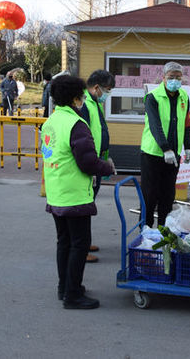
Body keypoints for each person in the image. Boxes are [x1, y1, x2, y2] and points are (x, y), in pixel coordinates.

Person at [40, 75, 115, 309]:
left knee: (64, 241)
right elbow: (88, 162)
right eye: (81, 96)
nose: (83, 99)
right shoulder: (76, 125)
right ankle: (73, 294)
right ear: (75, 98)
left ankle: (65, 288)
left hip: (57, 190)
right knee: (79, 244)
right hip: (74, 192)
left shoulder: (52, 121)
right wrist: (108, 167)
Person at [140, 61, 190, 228]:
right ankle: (145, 230)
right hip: (153, 154)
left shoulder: (184, 96)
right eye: (171, 77)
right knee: (150, 196)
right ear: (163, 78)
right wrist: (165, 148)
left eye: (178, 77)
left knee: (167, 196)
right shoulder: (152, 97)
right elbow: (155, 126)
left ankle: (164, 231)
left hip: (174, 155)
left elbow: (186, 123)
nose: (175, 81)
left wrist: (188, 146)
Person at [78, 69, 116, 263]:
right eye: (107, 90)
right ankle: (81, 248)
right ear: (96, 87)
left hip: (97, 159)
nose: (107, 94)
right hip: (90, 162)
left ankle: (85, 242)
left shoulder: (94, 103)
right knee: (85, 206)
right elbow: (83, 136)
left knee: (90, 203)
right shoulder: (85, 104)